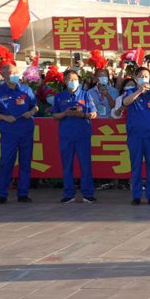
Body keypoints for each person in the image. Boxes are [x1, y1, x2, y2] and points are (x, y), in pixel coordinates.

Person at [0, 63, 38, 204]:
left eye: (16, 72)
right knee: (6, 162)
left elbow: (35, 106)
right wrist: (4, 118)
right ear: (3, 75)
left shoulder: (26, 90)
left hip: (26, 131)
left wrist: (31, 112)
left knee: (25, 163)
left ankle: (23, 193)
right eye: (10, 73)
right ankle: (2, 194)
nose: (14, 75)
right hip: (9, 133)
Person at [50, 70, 97, 203]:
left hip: (83, 135)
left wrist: (82, 115)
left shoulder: (86, 95)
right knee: (67, 165)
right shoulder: (59, 96)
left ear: (79, 81)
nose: (72, 82)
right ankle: (68, 193)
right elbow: (55, 115)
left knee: (86, 165)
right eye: (69, 79)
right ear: (64, 81)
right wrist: (65, 113)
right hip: (66, 135)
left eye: (75, 79)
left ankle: (88, 193)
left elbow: (93, 113)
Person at [123, 67, 150, 205]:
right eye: (141, 76)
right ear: (136, 78)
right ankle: (136, 195)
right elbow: (125, 103)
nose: (144, 78)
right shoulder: (130, 92)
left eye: (146, 76)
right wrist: (139, 91)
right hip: (135, 136)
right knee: (136, 166)